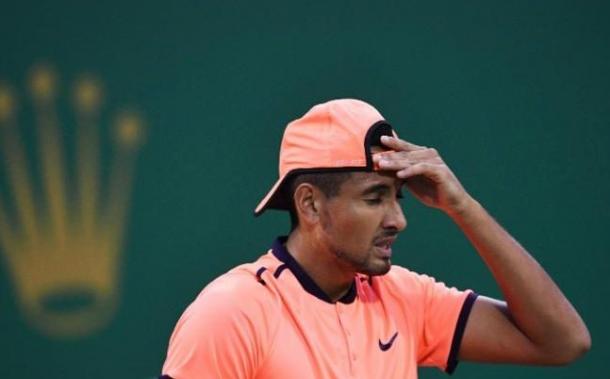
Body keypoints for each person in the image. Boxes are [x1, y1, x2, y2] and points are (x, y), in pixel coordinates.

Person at [160, 99, 590, 378]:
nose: (398, 220)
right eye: (374, 197)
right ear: (309, 205)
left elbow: (562, 342)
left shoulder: (404, 297)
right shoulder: (234, 311)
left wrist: (462, 206)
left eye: (397, 197)